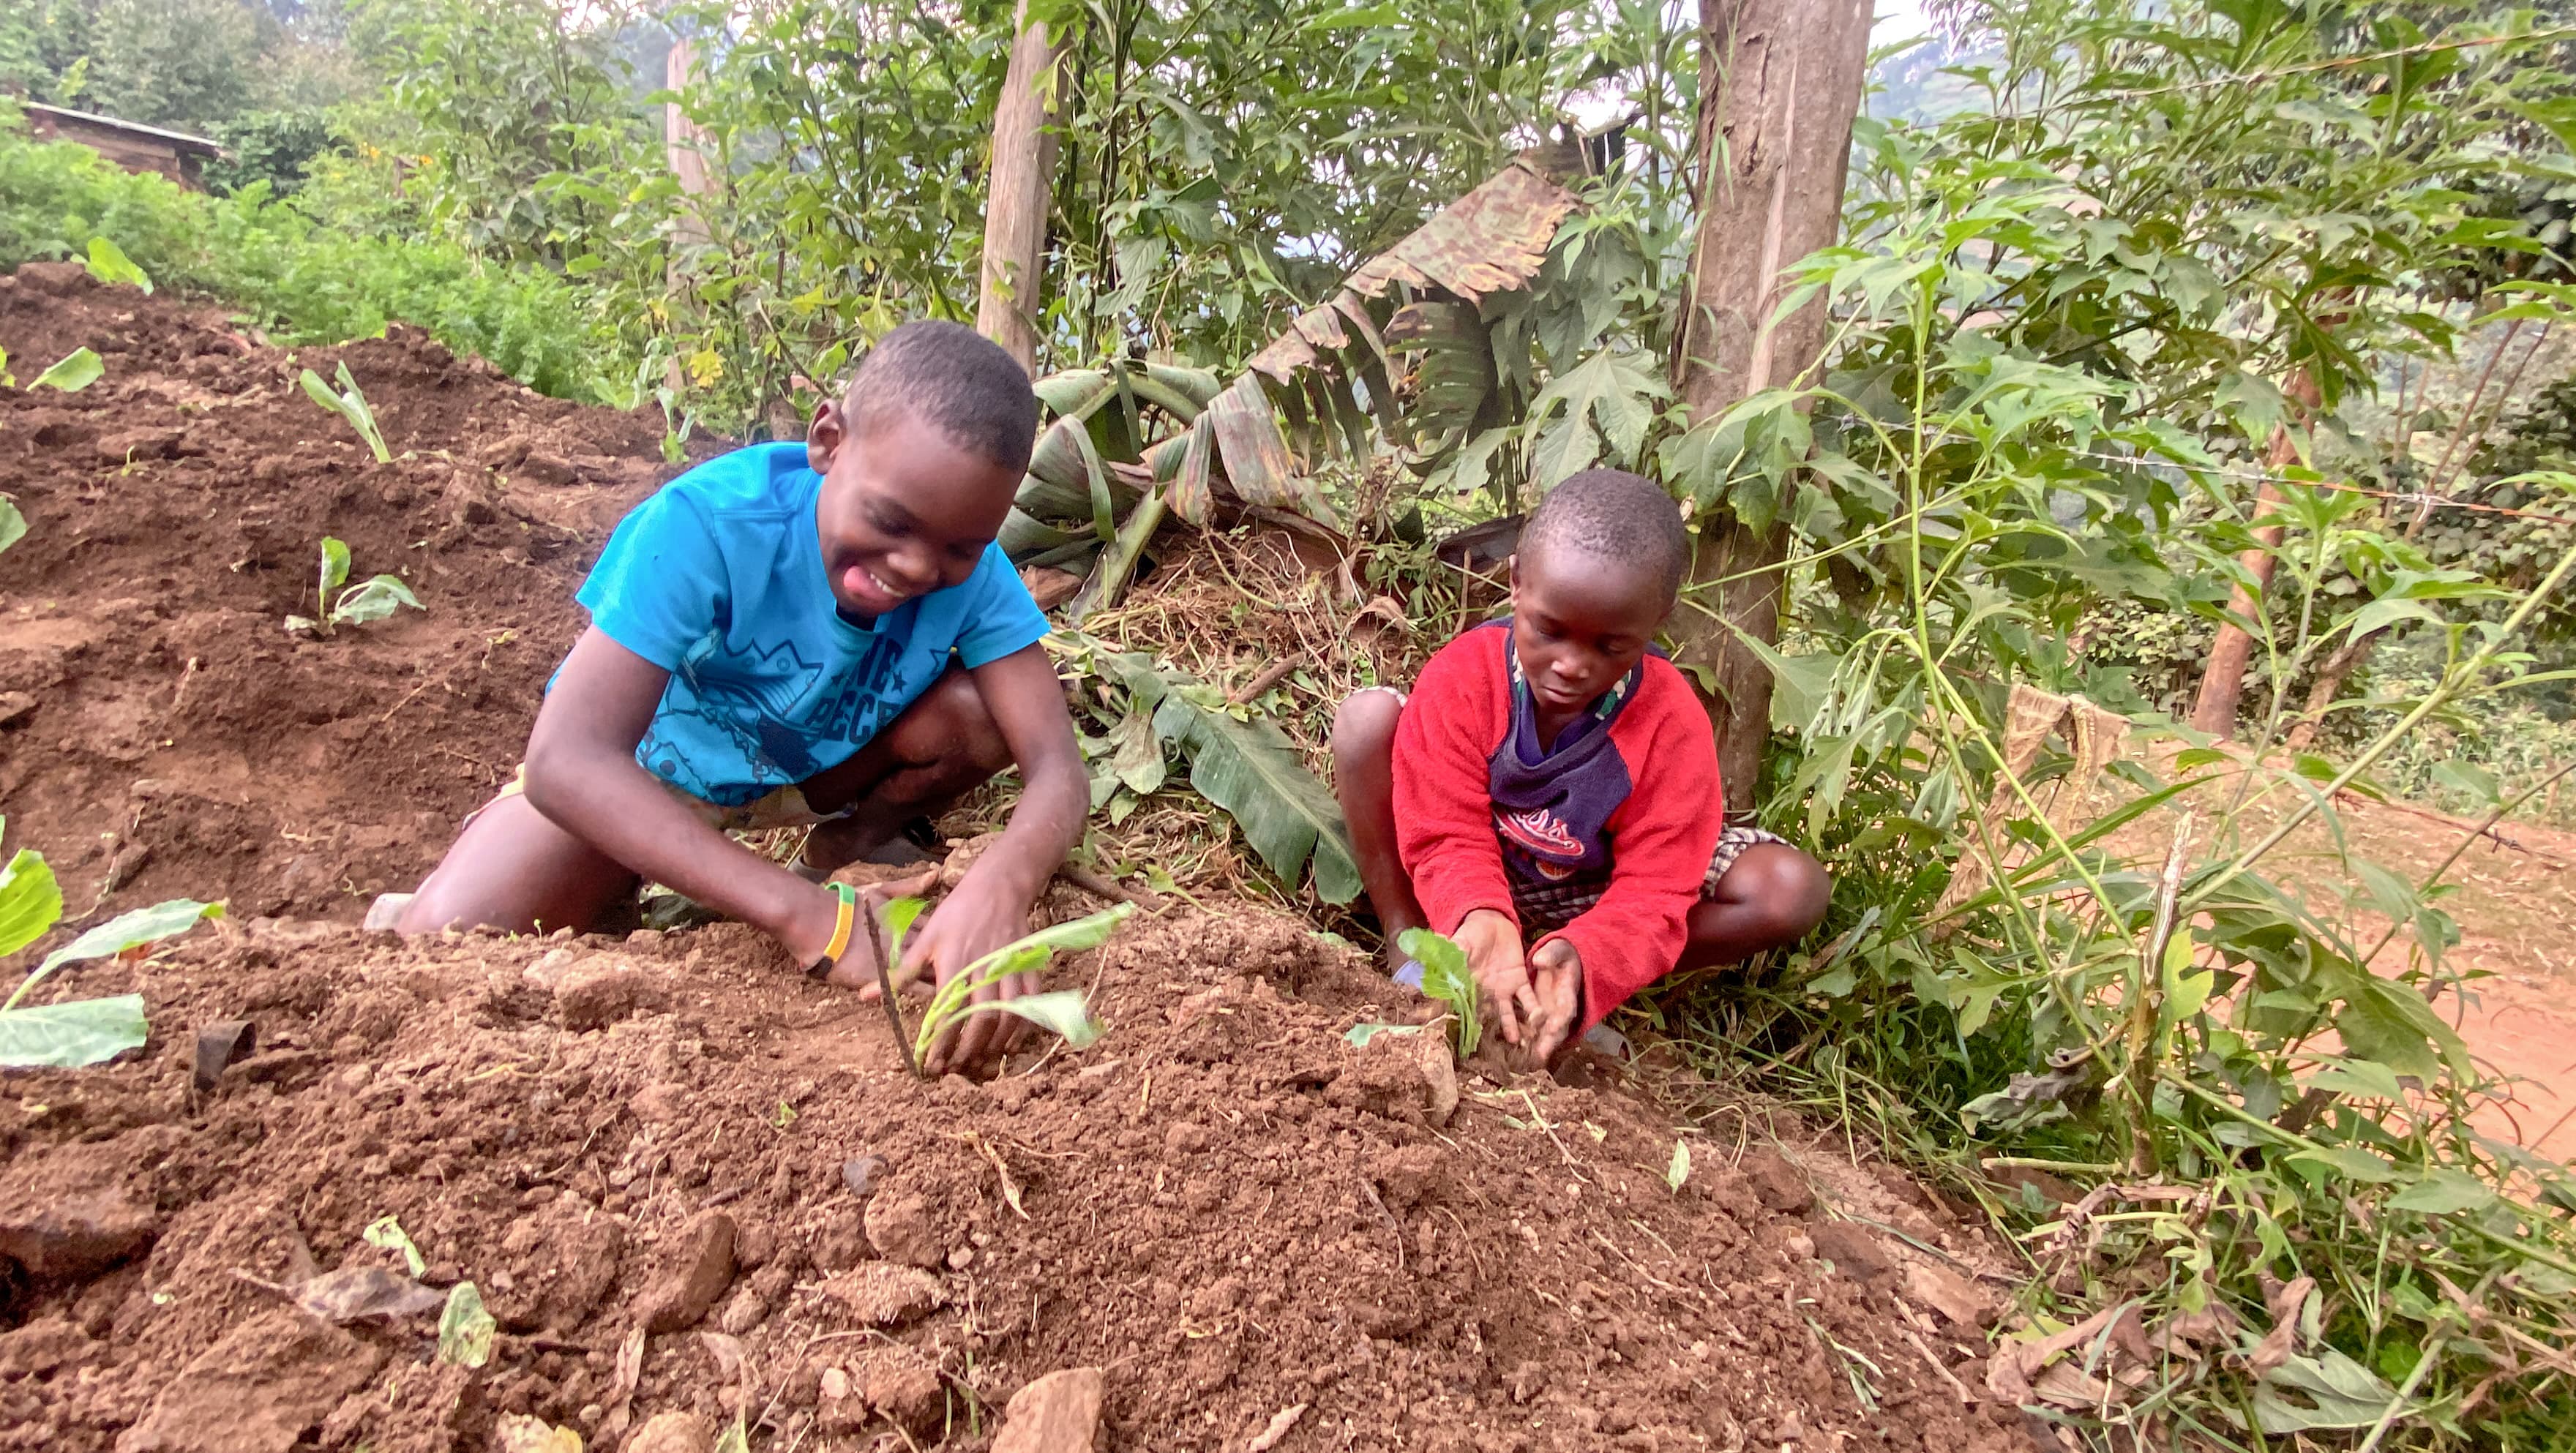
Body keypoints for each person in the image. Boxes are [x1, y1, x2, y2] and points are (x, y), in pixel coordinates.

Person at [395, 320, 1088, 1075]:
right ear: (828, 440)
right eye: (891, 523)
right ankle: (634, 874)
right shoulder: (710, 524)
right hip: (647, 776)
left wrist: (1003, 882)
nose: (917, 566)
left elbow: (1055, 764)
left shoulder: (977, 572)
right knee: (448, 938)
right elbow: (566, 759)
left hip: (806, 769)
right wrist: (809, 920)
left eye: (961, 547)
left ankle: (845, 857)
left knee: (979, 718)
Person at [1330, 468, 1830, 1067]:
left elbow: (1657, 886)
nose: (1571, 665)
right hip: (1488, 861)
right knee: (1366, 725)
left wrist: (1591, 957)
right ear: (1516, 582)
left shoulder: (1670, 722)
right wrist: (1480, 913)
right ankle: (1410, 951)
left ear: (1656, 622)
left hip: (1588, 891)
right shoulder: (1466, 678)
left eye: (1609, 647)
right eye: (1551, 631)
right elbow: (1445, 829)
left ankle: (1559, 985)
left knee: (1789, 890)